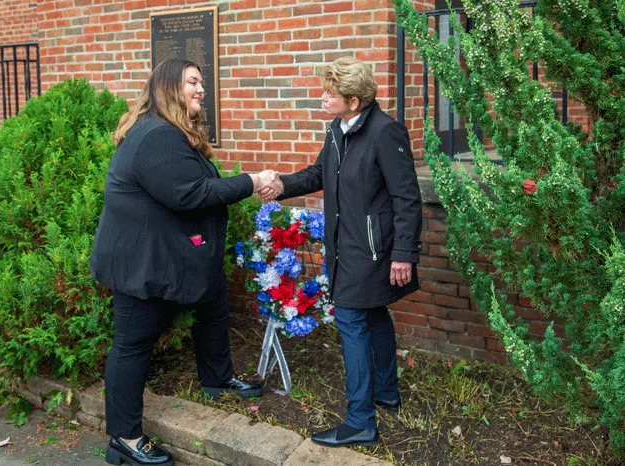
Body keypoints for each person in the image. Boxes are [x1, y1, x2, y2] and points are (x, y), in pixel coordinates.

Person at [90, 58, 279, 466]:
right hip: (142, 264)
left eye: (202, 82)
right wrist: (251, 181)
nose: (201, 89)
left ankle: (217, 379)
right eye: (193, 81)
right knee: (132, 345)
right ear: (169, 87)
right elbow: (190, 193)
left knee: (213, 305)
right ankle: (123, 438)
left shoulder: (168, 132)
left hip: (175, 254)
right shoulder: (156, 136)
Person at [259, 57, 422, 448]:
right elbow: (319, 173)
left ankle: (360, 422)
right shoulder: (338, 129)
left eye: (329, 94)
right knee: (374, 315)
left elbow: (407, 198)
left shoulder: (385, 132)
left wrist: (403, 253)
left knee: (350, 320)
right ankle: (385, 393)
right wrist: (283, 185)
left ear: (352, 99)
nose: (322, 99)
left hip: (372, 250)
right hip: (343, 244)